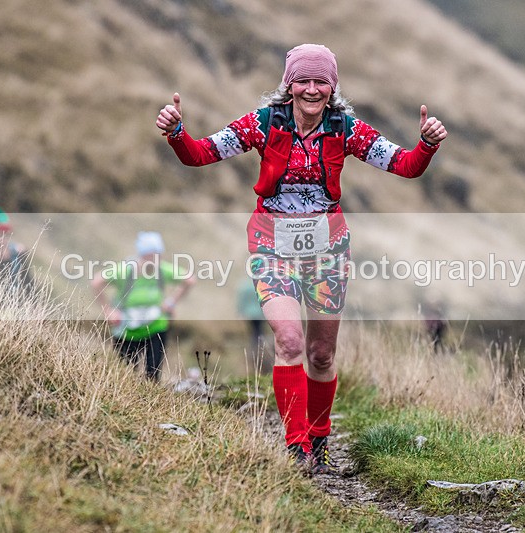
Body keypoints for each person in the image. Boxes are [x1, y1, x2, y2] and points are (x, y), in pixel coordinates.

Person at [156, 43, 447, 473]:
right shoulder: (264, 123)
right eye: (303, 80)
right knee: (289, 340)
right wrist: (177, 132)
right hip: (271, 245)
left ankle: (319, 437)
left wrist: (425, 145)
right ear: (288, 85)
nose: (312, 89)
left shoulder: (345, 128)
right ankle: (296, 448)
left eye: (321, 81)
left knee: (322, 354)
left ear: (332, 87)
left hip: (327, 251)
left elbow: (405, 166)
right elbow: (201, 154)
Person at [91, 231, 195, 382]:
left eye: (158, 255)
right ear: (142, 255)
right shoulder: (125, 270)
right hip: (127, 330)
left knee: (152, 376)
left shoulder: (162, 270)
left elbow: (189, 280)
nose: (155, 260)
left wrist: (171, 302)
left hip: (155, 327)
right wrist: (108, 311)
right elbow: (97, 282)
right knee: (125, 377)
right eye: (151, 256)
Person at [237, 277, 272, 374]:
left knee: (254, 332)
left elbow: (241, 301)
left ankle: (255, 347)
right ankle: (260, 347)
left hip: (249, 314)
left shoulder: (245, 286)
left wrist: (240, 313)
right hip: (260, 314)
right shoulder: (261, 285)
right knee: (259, 331)